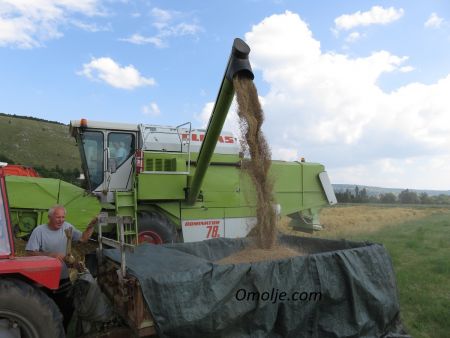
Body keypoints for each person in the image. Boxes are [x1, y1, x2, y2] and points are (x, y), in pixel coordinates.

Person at [25, 205, 97, 330]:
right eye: (58, 217)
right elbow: (30, 252)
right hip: (44, 280)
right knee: (44, 311)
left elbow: (83, 238)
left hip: (62, 277)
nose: (61, 220)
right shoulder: (39, 231)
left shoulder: (67, 227)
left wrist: (91, 225)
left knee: (67, 308)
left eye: (63, 217)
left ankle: (62, 331)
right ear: (49, 217)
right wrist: (50, 255)